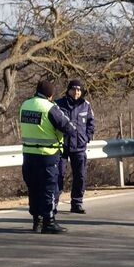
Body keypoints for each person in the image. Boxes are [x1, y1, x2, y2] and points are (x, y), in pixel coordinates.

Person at [20, 80, 76, 234]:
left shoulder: (25, 105)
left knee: (34, 188)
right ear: (50, 94)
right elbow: (69, 128)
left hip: (29, 154)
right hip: (48, 154)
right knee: (50, 188)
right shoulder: (50, 108)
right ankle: (49, 221)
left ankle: (36, 221)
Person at [56, 80, 95, 214]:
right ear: (68, 90)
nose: (76, 92)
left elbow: (91, 123)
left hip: (79, 146)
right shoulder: (58, 104)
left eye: (79, 90)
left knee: (80, 176)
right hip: (62, 146)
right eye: (74, 89)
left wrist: (87, 137)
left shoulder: (86, 105)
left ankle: (77, 203)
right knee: (58, 175)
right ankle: (53, 203)